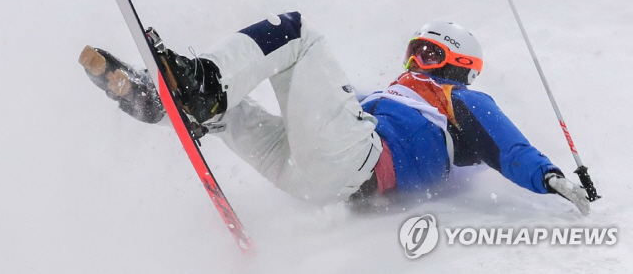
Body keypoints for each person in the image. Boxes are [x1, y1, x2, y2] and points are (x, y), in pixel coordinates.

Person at [79, 12, 590, 214]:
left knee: (296, 34)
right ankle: (158, 99)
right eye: (414, 50)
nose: (415, 63)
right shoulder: (394, 97)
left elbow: (509, 147)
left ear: (460, 69)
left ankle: (203, 85)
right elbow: (325, 104)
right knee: (226, 110)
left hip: (358, 161)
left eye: (431, 55)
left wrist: (551, 177)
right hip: (312, 179)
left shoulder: (462, 102)